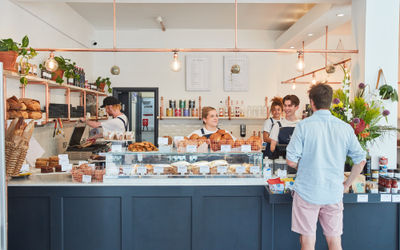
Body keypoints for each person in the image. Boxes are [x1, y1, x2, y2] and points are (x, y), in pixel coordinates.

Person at [286, 83, 366, 250]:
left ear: (311, 102)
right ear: (330, 102)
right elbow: (361, 161)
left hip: (307, 191)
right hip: (333, 192)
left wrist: (307, 169)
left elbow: (291, 161)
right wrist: (347, 185)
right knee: (335, 242)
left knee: (307, 243)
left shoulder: (303, 126)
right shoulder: (345, 128)